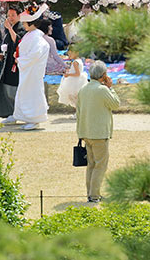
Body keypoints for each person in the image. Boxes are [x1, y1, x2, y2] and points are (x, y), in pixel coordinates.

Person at [76, 60, 121, 203]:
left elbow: (78, 112)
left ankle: (90, 193)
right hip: (99, 134)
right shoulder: (102, 90)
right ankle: (94, 195)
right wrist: (111, 88)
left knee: (91, 164)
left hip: (86, 132)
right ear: (104, 75)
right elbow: (116, 104)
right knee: (100, 165)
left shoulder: (84, 89)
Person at [3, 4, 50, 130]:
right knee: (23, 92)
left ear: (31, 23)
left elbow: (35, 55)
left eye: (25, 23)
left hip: (33, 71)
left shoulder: (37, 38)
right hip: (27, 69)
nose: (23, 25)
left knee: (32, 93)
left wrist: (20, 59)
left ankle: (35, 119)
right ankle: (19, 115)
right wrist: (18, 55)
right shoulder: (31, 35)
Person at [0, 4, 24, 120]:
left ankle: (15, 113)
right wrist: (2, 55)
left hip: (16, 64)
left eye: (13, 15)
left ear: (19, 16)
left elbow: (18, 41)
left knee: (13, 88)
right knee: (6, 87)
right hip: (7, 61)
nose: (10, 18)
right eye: (9, 15)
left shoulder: (21, 28)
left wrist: (10, 29)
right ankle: (8, 112)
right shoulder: (9, 29)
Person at [57, 45, 88, 112]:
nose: (69, 55)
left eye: (71, 53)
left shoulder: (75, 62)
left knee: (74, 98)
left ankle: (78, 113)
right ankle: (78, 112)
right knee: (76, 98)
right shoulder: (79, 60)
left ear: (76, 53)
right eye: (69, 54)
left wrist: (68, 74)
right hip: (78, 81)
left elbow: (77, 73)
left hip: (75, 82)